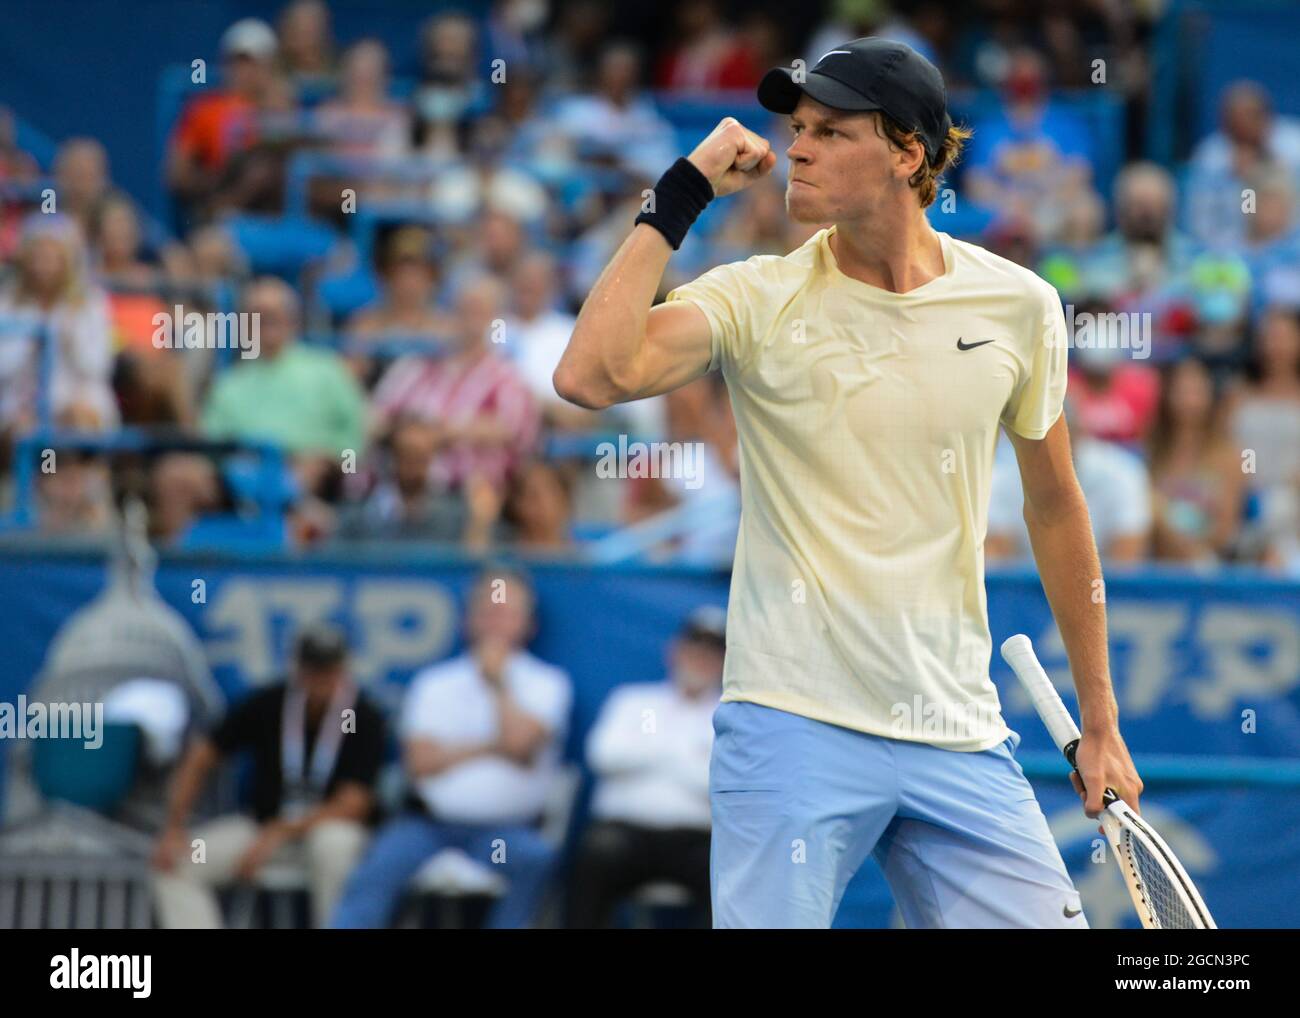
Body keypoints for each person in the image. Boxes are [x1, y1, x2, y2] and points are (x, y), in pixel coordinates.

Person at [554, 37, 1143, 929]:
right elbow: (589, 376)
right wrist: (682, 192)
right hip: (792, 722)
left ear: (908, 153)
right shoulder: (754, 297)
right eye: (797, 128)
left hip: (960, 730)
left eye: (830, 131)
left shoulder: (1018, 305)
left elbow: (1058, 505)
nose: (796, 147)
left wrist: (1099, 717)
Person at [330, 568, 571, 928]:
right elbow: (419, 762)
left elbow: (520, 745)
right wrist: (493, 746)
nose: (495, 623)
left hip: (505, 833)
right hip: (427, 826)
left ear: (528, 625)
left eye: (506, 613)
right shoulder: (434, 683)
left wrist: (497, 683)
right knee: (376, 870)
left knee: (535, 859)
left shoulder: (548, 683)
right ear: (467, 621)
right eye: (487, 611)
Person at [151, 623, 386, 928]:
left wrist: (282, 831)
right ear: (298, 669)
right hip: (260, 827)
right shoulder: (271, 704)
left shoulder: (358, 716)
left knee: (335, 846)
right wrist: (174, 827)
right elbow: (201, 756)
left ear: (343, 670)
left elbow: (353, 804)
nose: (321, 682)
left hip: (320, 830)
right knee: (178, 863)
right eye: (314, 671)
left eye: (329, 672)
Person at [567, 606, 724, 928]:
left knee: (728, 875)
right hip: (624, 834)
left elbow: (720, 786)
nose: (701, 657)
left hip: (697, 841)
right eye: (695, 646)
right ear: (675, 650)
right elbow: (603, 756)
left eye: (712, 651)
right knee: (596, 856)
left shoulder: (729, 715)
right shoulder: (632, 700)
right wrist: (687, 754)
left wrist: (651, 751)